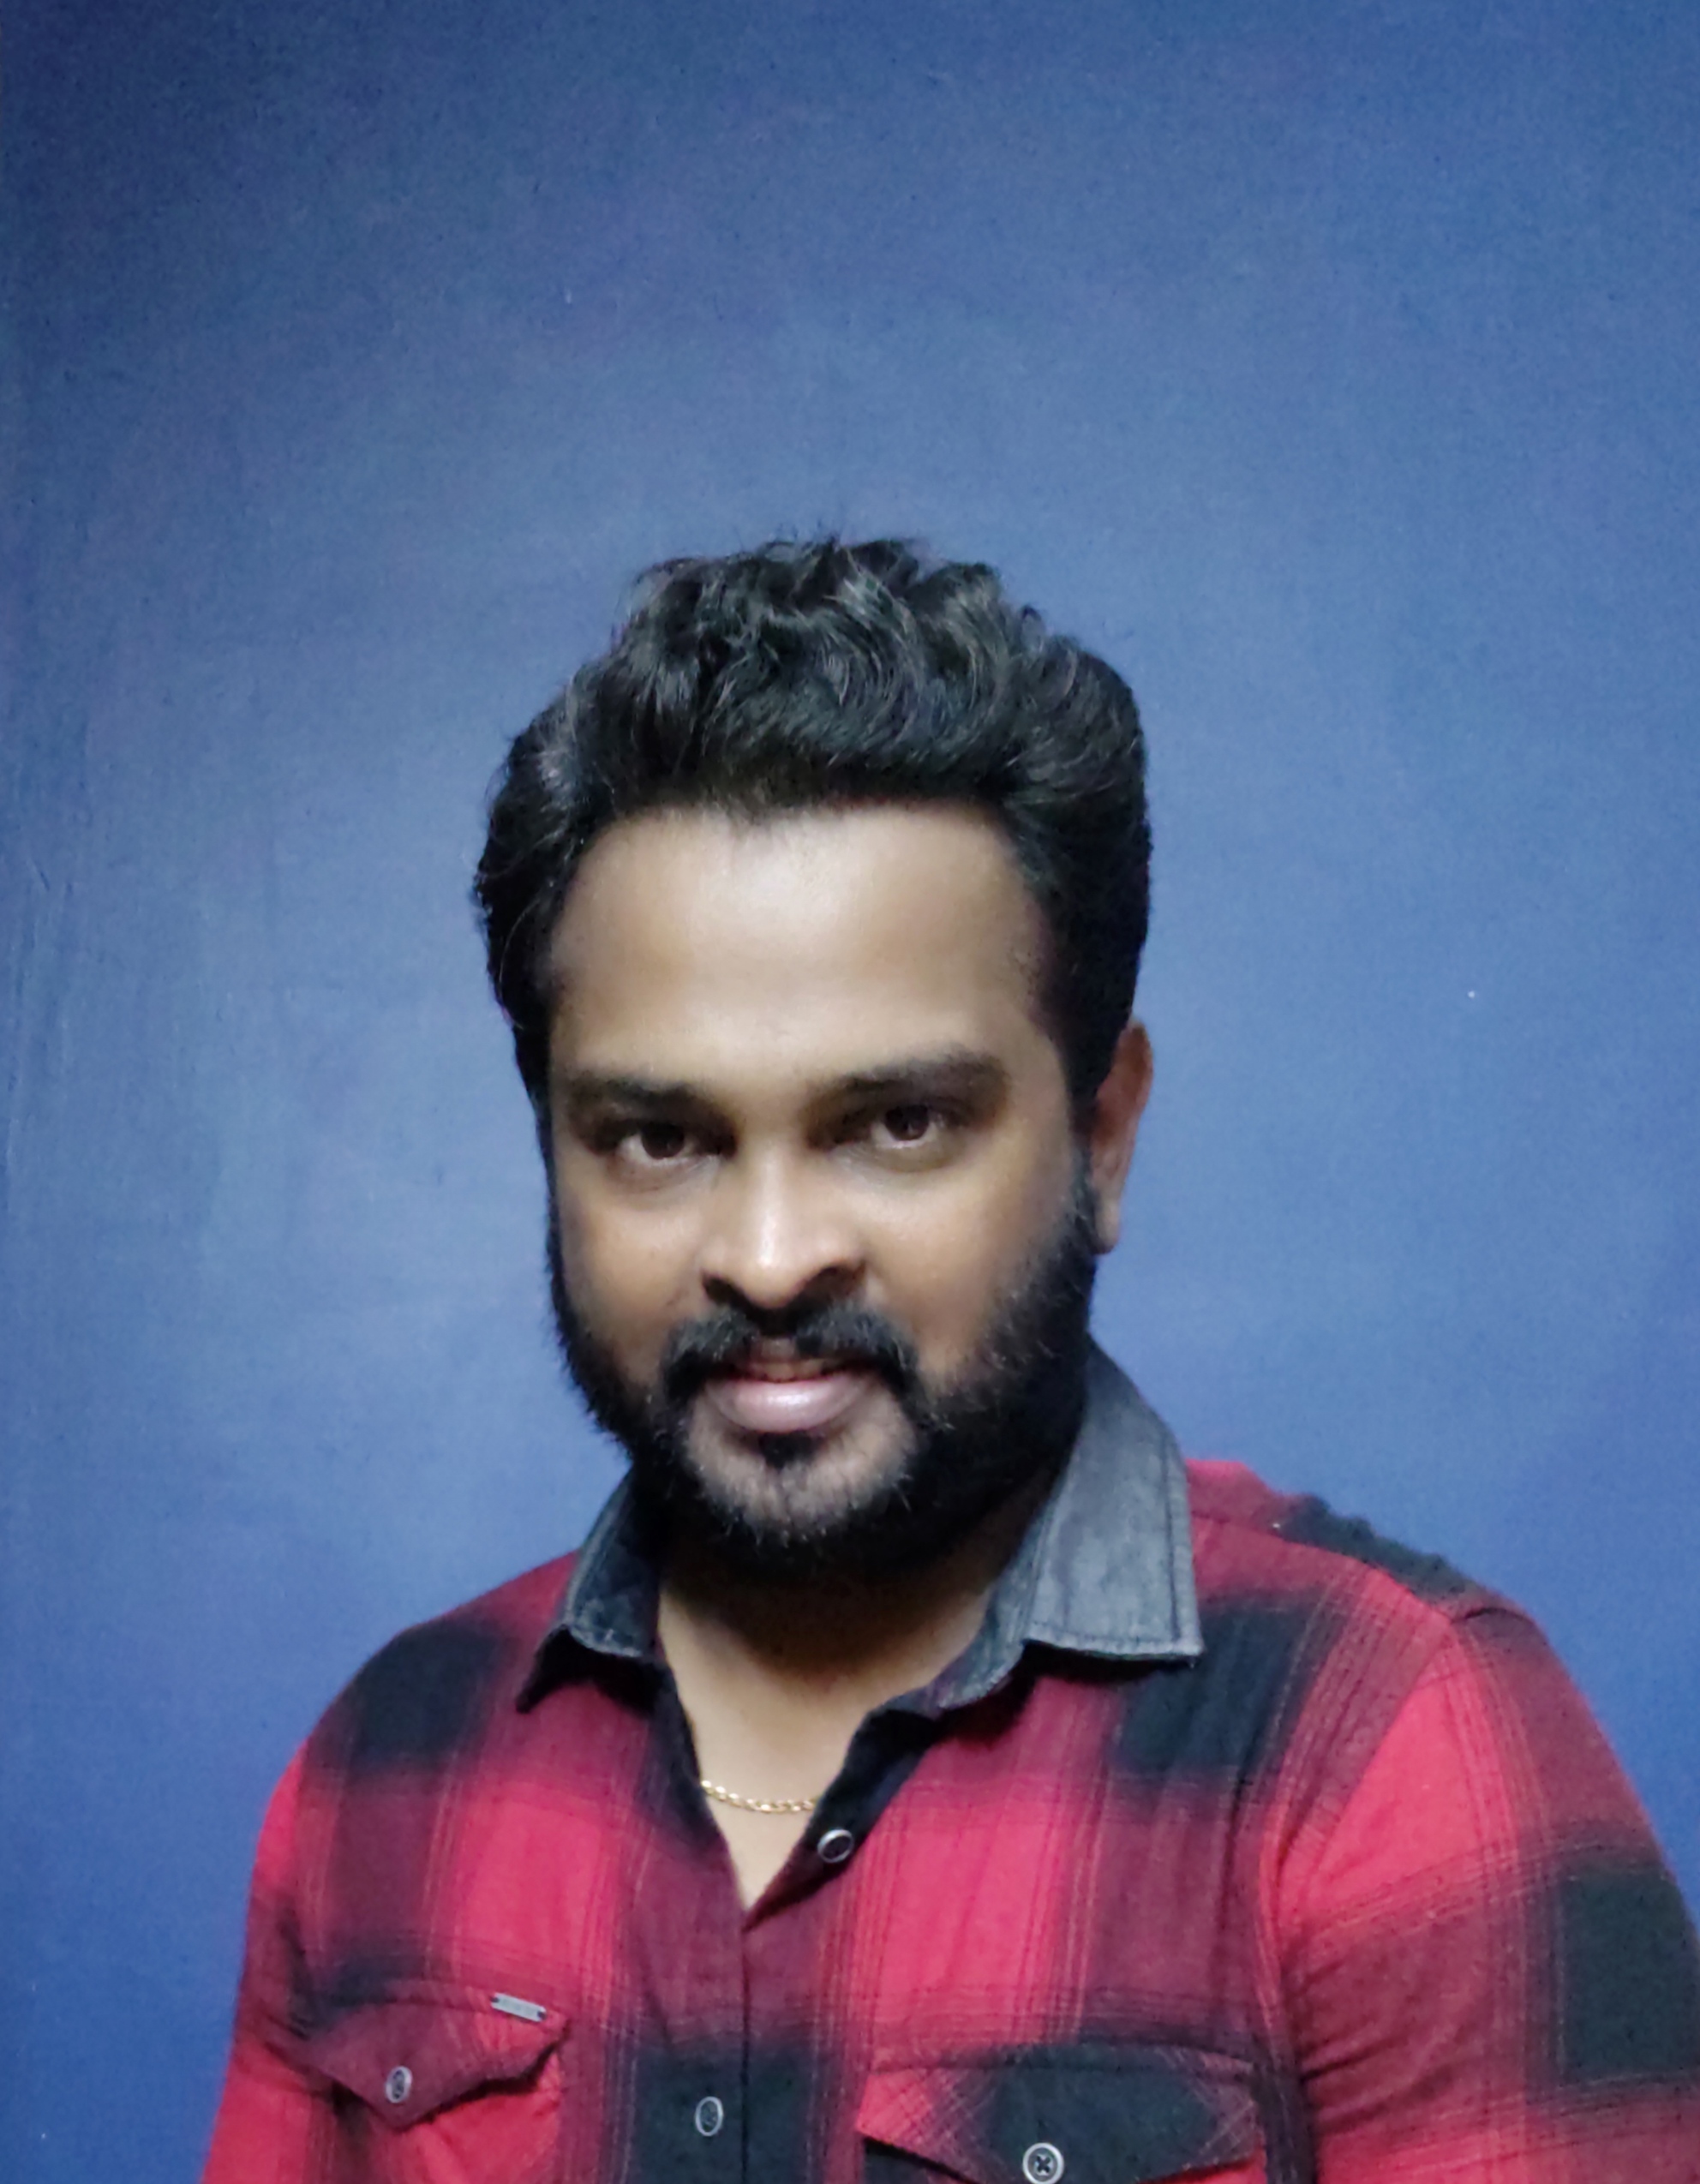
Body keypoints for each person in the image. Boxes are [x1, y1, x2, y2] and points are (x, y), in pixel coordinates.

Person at [202, 540, 1700, 2183]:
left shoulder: (1392, 1746)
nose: (771, 1254)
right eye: (658, 1137)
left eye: (900, 1122)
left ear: (1103, 1134)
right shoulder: (382, 1768)